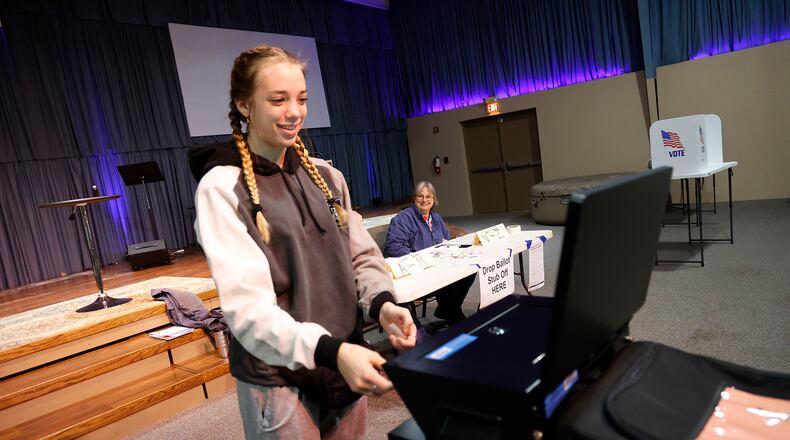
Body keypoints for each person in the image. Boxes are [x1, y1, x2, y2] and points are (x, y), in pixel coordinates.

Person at [190, 45, 416, 439]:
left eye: (302, 98)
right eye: (278, 100)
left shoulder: (328, 178)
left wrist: (382, 303)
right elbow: (248, 311)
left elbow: (361, 256)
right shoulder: (222, 188)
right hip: (279, 378)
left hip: (344, 360)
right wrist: (331, 351)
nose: (294, 111)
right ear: (245, 105)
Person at [384, 181, 474, 324]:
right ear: (414, 199)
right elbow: (394, 246)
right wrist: (419, 259)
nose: (424, 200)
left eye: (428, 197)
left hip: (436, 266)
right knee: (447, 283)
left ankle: (447, 310)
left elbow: (447, 241)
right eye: (420, 196)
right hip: (416, 270)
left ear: (434, 200)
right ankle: (454, 316)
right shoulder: (403, 219)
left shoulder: (436, 218)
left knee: (469, 271)